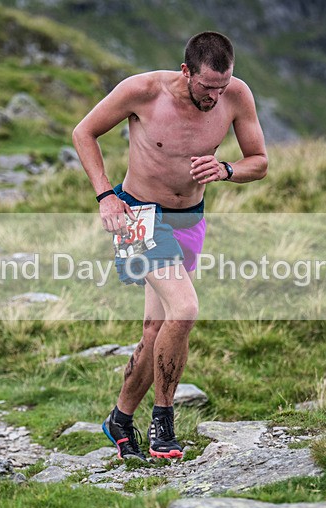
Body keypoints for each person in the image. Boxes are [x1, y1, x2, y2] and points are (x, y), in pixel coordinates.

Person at [72, 31, 267, 461]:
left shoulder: (235, 94)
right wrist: (106, 195)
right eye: (206, 87)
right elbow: (83, 133)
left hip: (190, 219)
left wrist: (227, 168)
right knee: (186, 309)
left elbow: (260, 162)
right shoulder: (142, 91)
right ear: (186, 72)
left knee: (157, 330)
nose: (216, 96)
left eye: (223, 86)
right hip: (137, 216)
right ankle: (164, 422)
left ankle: (120, 419)